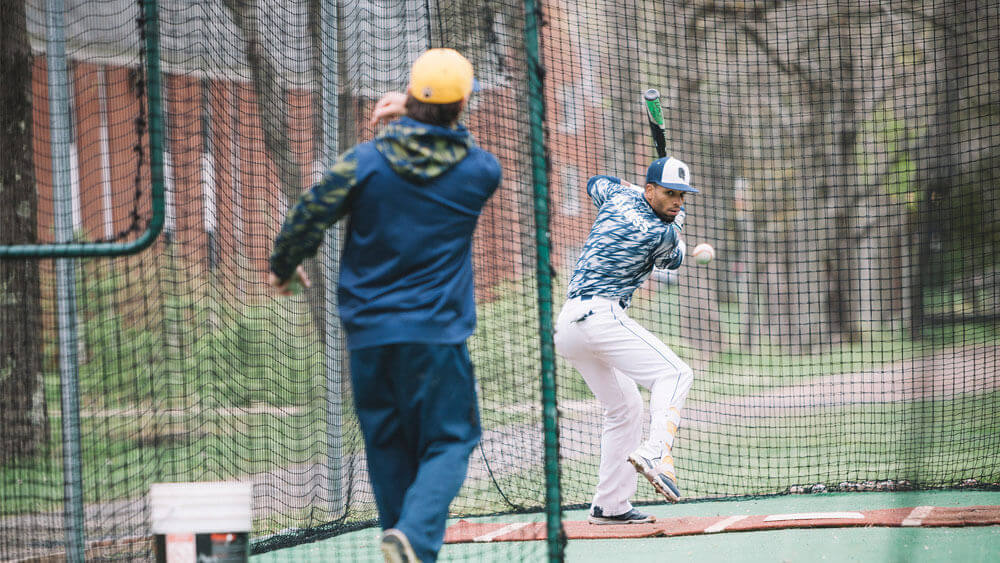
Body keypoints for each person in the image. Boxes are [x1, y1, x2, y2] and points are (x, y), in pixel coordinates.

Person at [268, 48, 501, 563]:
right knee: (452, 441)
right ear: (462, 105)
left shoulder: (365, 162)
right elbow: (463, 149)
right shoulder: (481, 172)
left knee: (387, 446)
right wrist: (420, 119)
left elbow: (311, 210)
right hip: (437, 336)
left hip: (369, 336)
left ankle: (403, 543)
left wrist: (284, 265)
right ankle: (414, 540)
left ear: (413, 97)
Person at [554, 156, 698, 525]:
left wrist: (639, 194)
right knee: (676, 374)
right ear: (650, 190)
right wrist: (676, 226)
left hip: (569, 323)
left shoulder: (617, 196)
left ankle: (611, 506)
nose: (677, 201)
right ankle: (655, 453)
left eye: (682, 195)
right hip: (600, 314)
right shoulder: (662, 234)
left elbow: (595, 181)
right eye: (669, 194)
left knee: (625, 408)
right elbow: (673, 261)